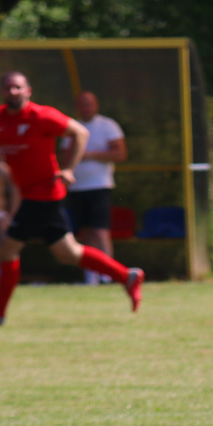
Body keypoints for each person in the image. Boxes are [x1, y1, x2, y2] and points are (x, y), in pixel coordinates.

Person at [0, 71, 143, 325]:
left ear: (28, 91)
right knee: (68, 252)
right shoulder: (2, 119)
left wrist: (67, 168)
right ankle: (126, 275)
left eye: (17, 87)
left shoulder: (41, 115)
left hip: (44, 194)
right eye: (8, 88)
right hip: (31, 195)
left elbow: (80, 133)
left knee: (7, 250)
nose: (13, 92)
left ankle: (0, 313)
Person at [64, 91, 127, 285]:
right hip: (77, 188)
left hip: (99, 187)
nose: (85, 108)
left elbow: (120, 153)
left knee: (100, 231)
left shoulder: (108, 125)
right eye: (82, 105)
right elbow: (64, 154)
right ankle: (91, 276)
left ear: (96, 105)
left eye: (89, 104)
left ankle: (109, 274)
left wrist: (88, 154)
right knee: (85, 232)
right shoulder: (71, 126)